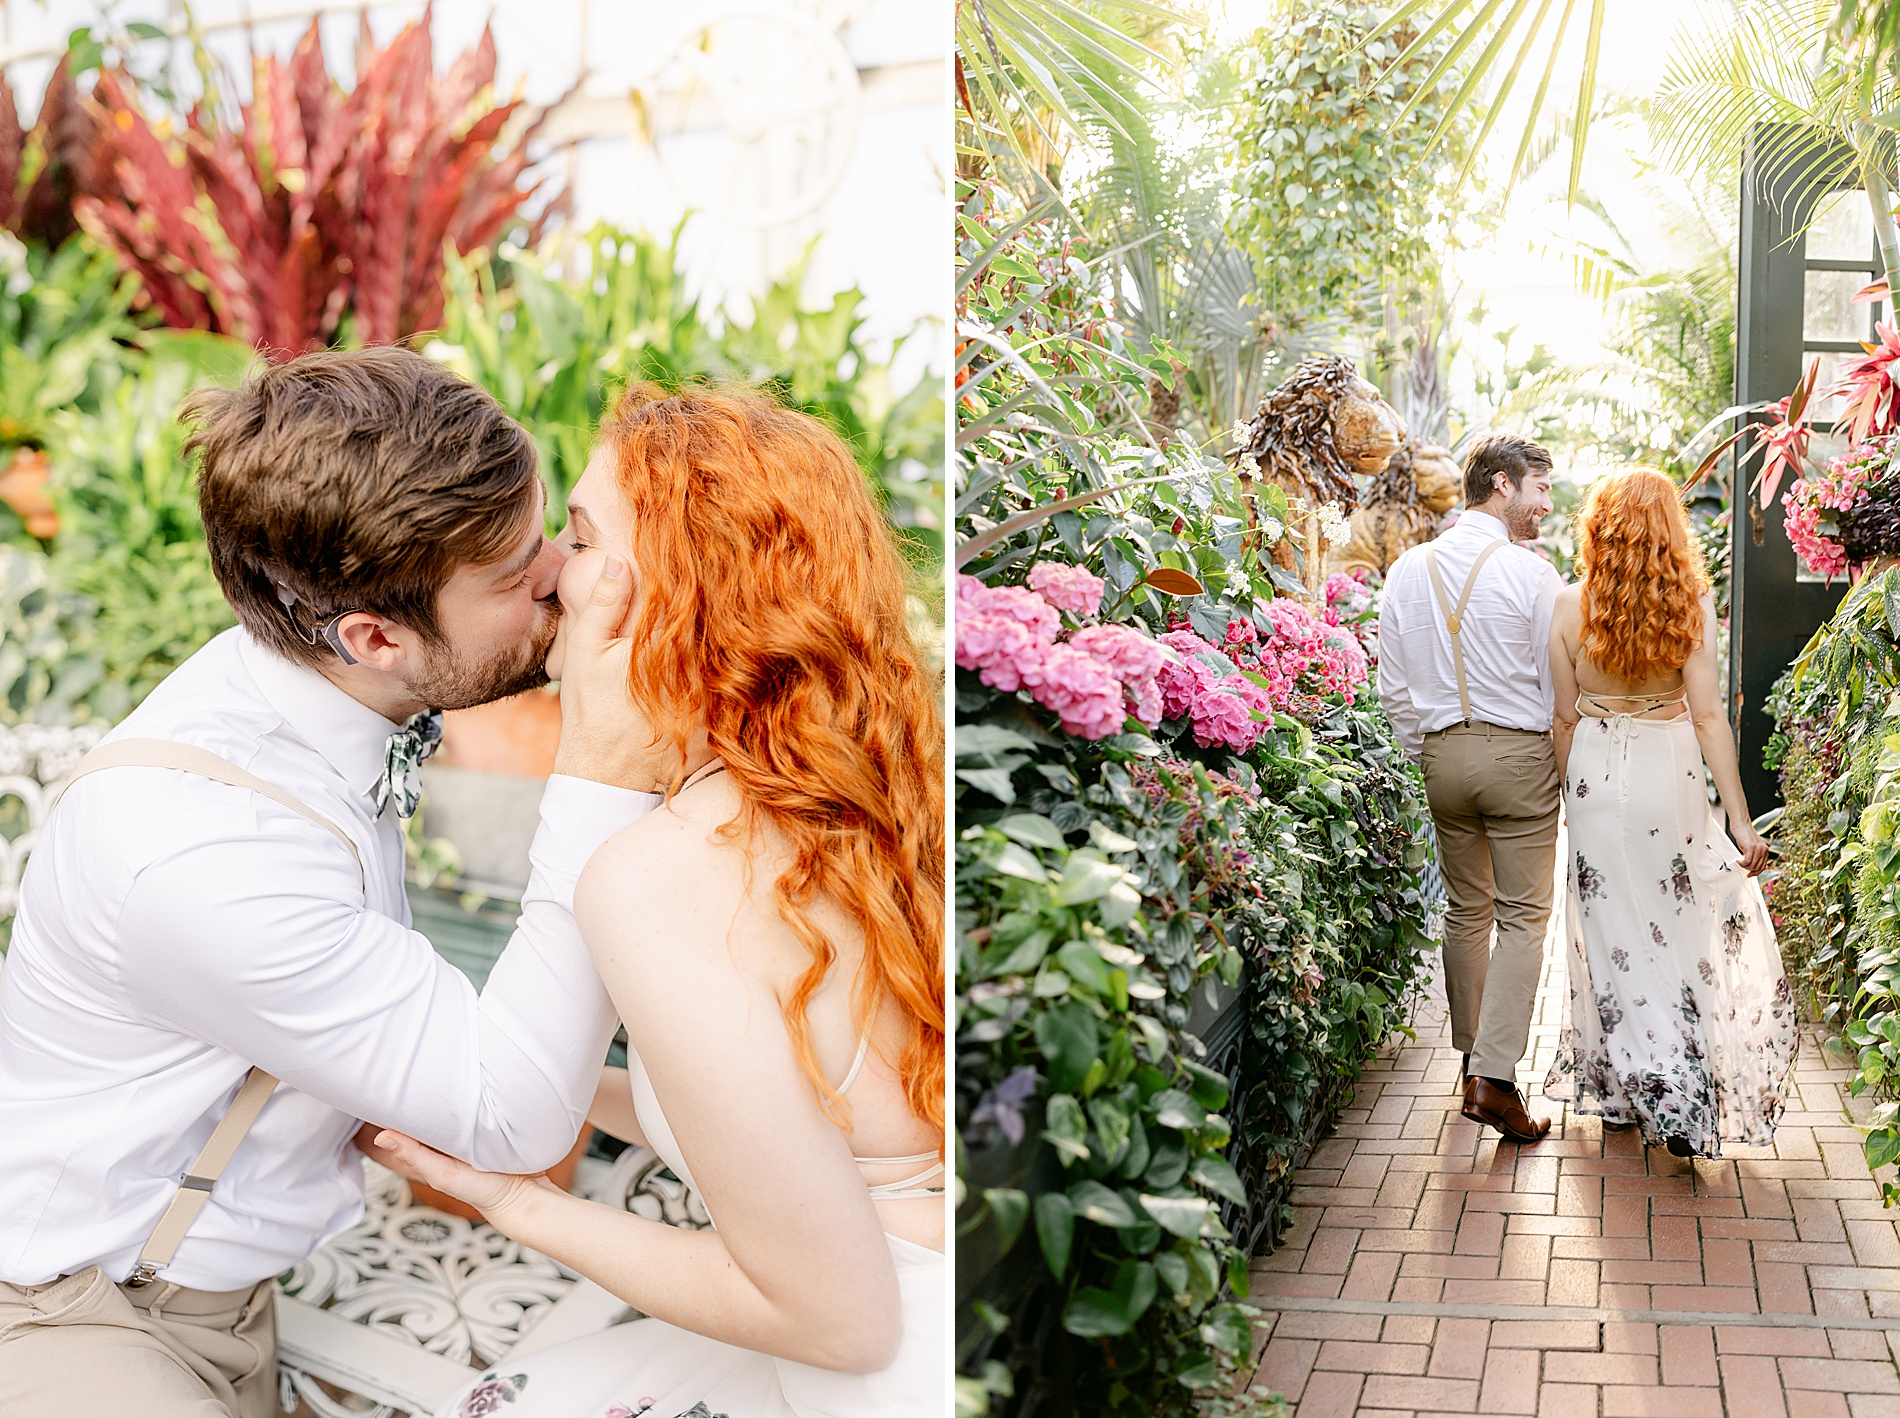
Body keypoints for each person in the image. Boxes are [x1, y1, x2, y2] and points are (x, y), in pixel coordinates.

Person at [0, 348, 668, 1417]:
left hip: (218, 1291)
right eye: (512, 574)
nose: (558, 574)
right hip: (62, 1310)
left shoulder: (310, 697)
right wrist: (599, 766)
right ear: (373, 637)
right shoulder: (205, 851)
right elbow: (511, 1118)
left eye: (549, 530)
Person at [364, 384, 946, 1418]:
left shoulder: (662, 870)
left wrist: (510, 1200)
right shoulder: (869, 783)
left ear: (677, 589)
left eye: (580, 537)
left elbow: (837, 1318)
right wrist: (490, 1068)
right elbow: (779, 1111)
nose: (547, 569)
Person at [1543, 468, 1795, 1157]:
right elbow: (1709, 716)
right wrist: (1740, 820)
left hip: (1595, 770)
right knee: (1674, 925)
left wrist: (1574, 799)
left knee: (1610, 929)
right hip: (1668, 767)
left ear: (1601, 527)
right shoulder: (1691, 604)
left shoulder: (1568, 606)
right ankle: (1676, 1084)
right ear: (1670, 532)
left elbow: (1563, 719)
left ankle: (1635, 1085)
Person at [1378, 433, 1564, 1143]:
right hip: (1517, 758)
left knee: (1466, 912)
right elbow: (1556, 691)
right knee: (1523, 918)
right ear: (1502, 486)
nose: (1546, 503)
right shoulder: (1531, 576)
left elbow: (1394, 687)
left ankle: (1469, 1065)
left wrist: (1426, 749)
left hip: (1441, 757)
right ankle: (1496, 1080)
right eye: (1540, 488)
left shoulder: (1407, 570)